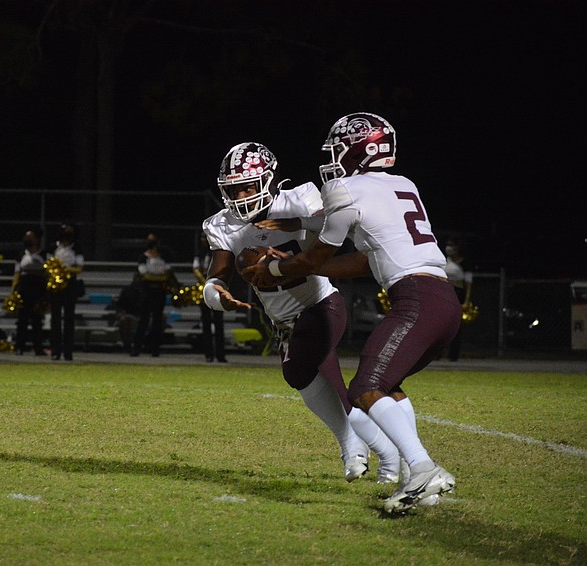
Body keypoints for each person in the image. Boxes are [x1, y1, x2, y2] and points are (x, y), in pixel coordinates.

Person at [244, 113, 460, 512]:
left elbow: (316, 256)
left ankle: (423, 467)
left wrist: (274, 267)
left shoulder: (344, 187)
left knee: (365, 387)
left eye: (337, 149)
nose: (332, 159)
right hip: (443, 300)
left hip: (415, 299)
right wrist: (300, 239)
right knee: (388, 385)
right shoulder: (403, 185)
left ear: (357, 149)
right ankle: (417, 476)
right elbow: (362, 262)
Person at [202, 142, 399, 484]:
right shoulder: (221, 224)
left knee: (321, 370)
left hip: (322, 303)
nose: (242, 195)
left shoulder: (301, 197)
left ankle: (385, 454)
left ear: (269, 180)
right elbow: (216, 275)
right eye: (234, 188)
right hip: (283, 321)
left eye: (248, 185)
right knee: (298, 376)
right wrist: (216, 296)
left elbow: (338, 222)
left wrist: (297, 222)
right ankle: (355, 445)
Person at [131, 233, 175, 358]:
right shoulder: (143, 257)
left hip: (159, 291)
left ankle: (155, 349)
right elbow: (144, 274)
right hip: (147, 291)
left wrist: (157, 276)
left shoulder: (163, 257)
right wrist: (159, 277)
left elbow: (167, 273)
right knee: (143, 320)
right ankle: (137, 348)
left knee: (157, 321)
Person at [45, 222, 85, 361]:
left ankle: (68, 352)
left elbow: (80, 268)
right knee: (55, 319)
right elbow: (48, 265)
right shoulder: (53, 247)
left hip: (70, 285)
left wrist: (65, 269)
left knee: (69, 319)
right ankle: (55, 351)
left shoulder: (77, 248)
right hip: (55, 286)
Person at [12, 227, 47, 356]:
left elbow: (47, 271)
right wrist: (14, 289)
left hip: (38, 288)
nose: (28, 240)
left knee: (37, 319)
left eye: (31, 237)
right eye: (26, 237)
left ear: (37, 239)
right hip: (25, 287)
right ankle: (19, 347)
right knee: (23, 319)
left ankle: (38, 348)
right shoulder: (21, 254)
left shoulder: (44, 254)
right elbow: (17, 272)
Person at [193, 232, 226, 363]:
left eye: (205, 238)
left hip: (217, 289)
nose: (203, 240)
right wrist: (205, 281)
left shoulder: (218, 253)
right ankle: (208, 354)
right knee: (206, 322)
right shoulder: (199, 255)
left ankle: (220, 354)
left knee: (219, 323)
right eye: (201, 238)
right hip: (204, 290)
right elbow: (195, 269)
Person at [443, 237, 472, 361]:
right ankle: (436, 354)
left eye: (451, 245)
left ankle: (453, 355)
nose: (448, 248)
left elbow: (468, 283)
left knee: (456, 326)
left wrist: (467, 300)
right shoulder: (444, 261)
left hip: (458, 294)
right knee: (440, 325)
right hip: (444, 293)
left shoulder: (465, 263)